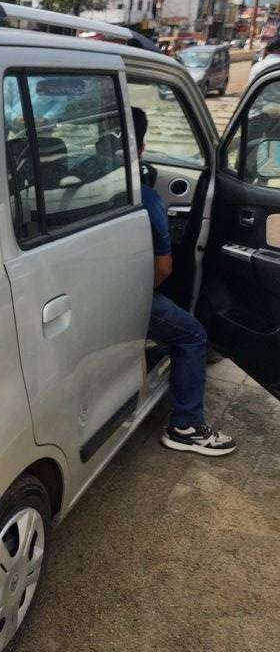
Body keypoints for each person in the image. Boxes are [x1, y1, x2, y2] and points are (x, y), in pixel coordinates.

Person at [133, 106, 237, 456]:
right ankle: (186, 426)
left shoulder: (66, 181)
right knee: (192, 334)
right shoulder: (146, 200)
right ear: (142, 149)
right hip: (121, 298)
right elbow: (162, 270)